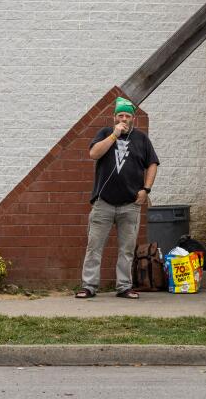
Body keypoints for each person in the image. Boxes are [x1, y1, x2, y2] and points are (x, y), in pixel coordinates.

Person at [75, 97, 159, 299]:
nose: (124, 118)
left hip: (130, 204)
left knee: (127, 249)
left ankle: (124, 286)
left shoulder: (142, 139)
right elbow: (94, 154)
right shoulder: (105, 133)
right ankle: (89, 286)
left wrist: (146, 189)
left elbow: (153, 164)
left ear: (133, 119)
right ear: (114, 117)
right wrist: (114, 135)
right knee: (94, 247)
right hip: (103, 203)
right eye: (120, 115)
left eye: (127, 115)